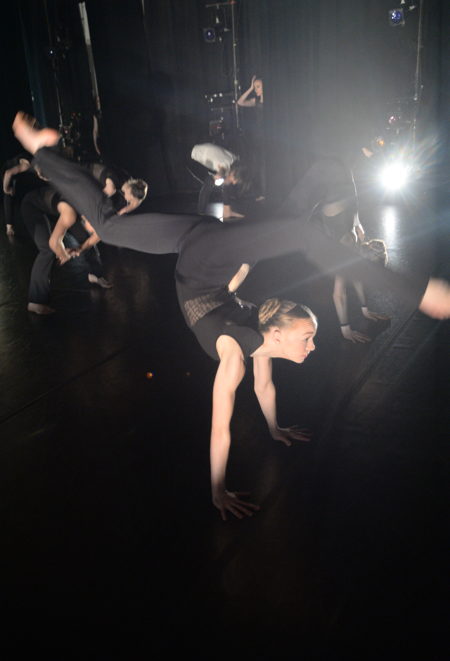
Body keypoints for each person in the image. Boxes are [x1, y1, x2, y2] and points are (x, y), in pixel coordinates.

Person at [12, 112, 450, 518]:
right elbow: (225, 425)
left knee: (110, 227)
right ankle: (415, 289)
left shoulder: (250, 349)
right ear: (276, 334)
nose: (313, 346)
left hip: (196, 243)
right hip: (209, 255)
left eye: (309, 339)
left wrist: (269, 435)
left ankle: (42, 151)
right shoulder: (247, 344)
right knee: (298, 231)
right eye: (307, 338)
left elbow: (253, 397)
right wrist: (218, 490)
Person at [281, 155, 390, 342]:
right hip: (335, 184)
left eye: (377, 250)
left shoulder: (352, 247)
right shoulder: (355, 245)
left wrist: (353, 322)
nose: (378, 246)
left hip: (329, 182)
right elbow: (343, 291)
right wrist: (351, 324)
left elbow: (342, 292)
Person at [21, 185, 110, 314]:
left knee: (85, 237)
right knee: (47, 250)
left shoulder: (96, 211)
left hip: (57, 208)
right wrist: (64, 254)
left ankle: (96, 275)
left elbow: (92, 240)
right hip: (33, 206)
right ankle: (36, 301)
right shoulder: (71, 214)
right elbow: (54, 243)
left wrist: (79, 249)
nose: (95, 232)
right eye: (94, 228)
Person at [190, 142, 249, 219]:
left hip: (204, 151)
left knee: (226, 181)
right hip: (192, 157)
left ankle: (227, 211)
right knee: (210, 181)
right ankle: (200, 215)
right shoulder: (226, 165)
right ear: (234, 172)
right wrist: (219, 175)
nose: (234, 183)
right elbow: (222, 169)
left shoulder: (235, 161)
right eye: (235, 179)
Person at [237, 75, 265, 201]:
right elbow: (240, 102)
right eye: (255, 87)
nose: (255, 90)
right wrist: (250, 88)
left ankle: (266, 191)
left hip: (269, 137)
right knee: (257, 165)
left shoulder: (271, 101)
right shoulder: (255, 101)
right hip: (258, 137)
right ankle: (260, 192)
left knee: (266, 165)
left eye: (258, 87)